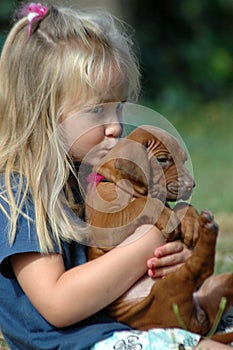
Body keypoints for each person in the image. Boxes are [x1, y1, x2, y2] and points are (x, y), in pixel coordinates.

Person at [0, 2, 231, 349]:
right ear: (40, 111)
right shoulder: (20, 191)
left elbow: (114, 267)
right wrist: (150, 239)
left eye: (119, 106)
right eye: (96, 111)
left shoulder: (93, 178)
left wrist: (168, 262)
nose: (116, 126)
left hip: (124, 323)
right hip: (82, 342)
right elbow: (58, 303)